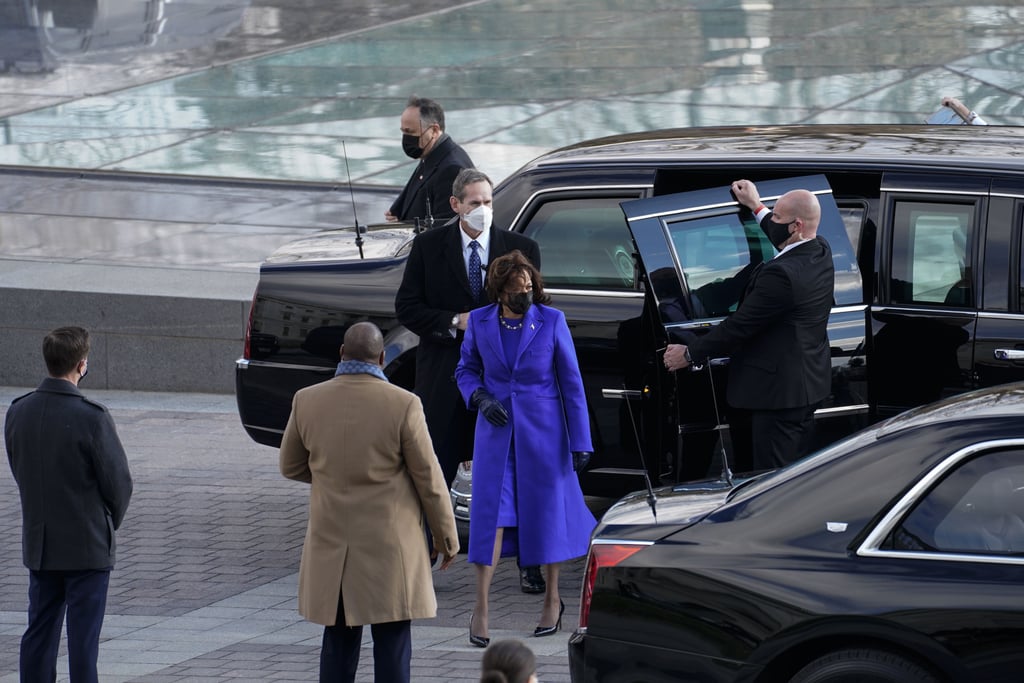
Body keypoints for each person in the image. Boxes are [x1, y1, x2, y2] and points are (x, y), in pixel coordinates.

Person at [279, 321, 459, 683]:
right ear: (381, 357)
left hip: (334, 550)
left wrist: (332, 476)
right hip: (390, 549)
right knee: (392, 644)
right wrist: (446, 536)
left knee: (338, 644)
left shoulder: (307, 400)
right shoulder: (404, 404)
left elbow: (291, 465)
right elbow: (429, 478)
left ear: (342, 354)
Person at [394, 166, 546, 594]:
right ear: (456, 205)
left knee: (515, 471)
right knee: (433, 467)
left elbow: (534, 308)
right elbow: (407, 307)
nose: (483, 210)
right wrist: (453, 322)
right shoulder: (428, 247)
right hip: (444, 376)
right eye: (475, 203)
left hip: (502, 380)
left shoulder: (520, 247)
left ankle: (528, 563)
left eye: (489, 202)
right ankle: (422, 555)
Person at [456, 250, 596, 646]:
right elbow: (465, 370)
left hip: (546, 435)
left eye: (530, 288)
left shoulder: (552, 320)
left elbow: (571, 382)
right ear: (500, 291)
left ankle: (552, 600)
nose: (526, 295)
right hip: (496, 435)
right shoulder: (481, 322)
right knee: (491, 519)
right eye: (518, 290)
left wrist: (580, 441)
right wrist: (480, 397)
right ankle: (480, 610)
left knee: (546, 515)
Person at [664, 180, 834, 473]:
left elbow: (739, 326)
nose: (773, 222)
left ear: (795, 226)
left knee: (773, 479)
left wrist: (689, 354)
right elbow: (777, 229)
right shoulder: (820, 250)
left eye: (778, 218)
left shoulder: (782, 275)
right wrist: (757, 206)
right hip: (806, 386)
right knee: (794, 470)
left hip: (777, 396)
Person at [4, 326, 133, 683]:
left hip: (42, 543)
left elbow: (21, 470)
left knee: (39, 633)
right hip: (86, 545)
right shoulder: (92, 416)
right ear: (82, 364)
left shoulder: (18, 411)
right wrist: (107, 521)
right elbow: (118, 483)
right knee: (82, 642)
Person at [384, 95, 474, 224]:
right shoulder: (431, 154)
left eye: (410, 132)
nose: (406, 139)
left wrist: (403, 226)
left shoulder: (451, 169)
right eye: (403, 132)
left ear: (434, 130)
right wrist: (399, 215)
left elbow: (444, 227)